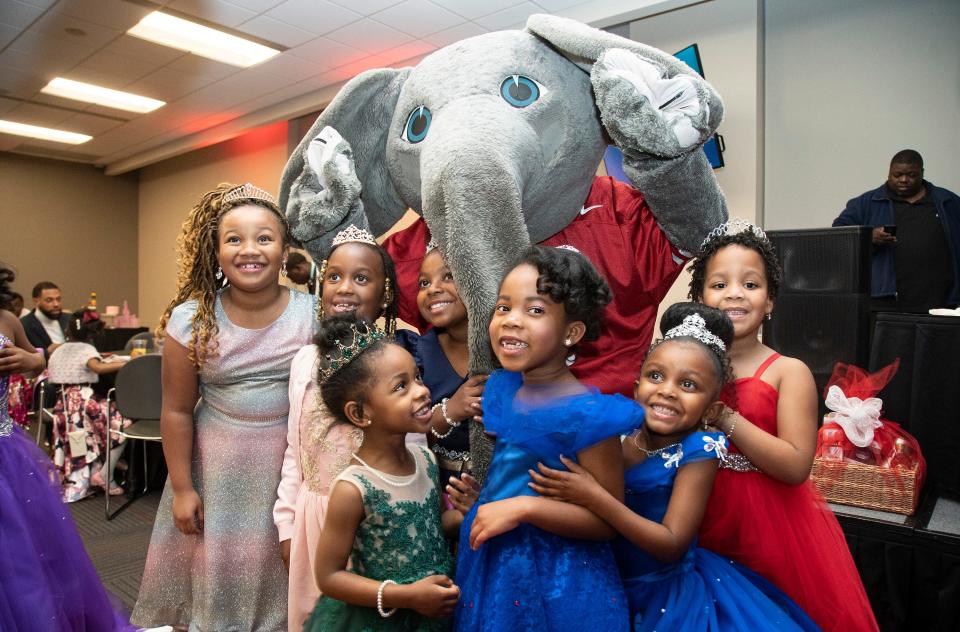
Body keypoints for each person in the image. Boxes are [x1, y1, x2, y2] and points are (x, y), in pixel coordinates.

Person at [529, 303, 818, 631]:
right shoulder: (615, 436)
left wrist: (596, 497)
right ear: (636, 389)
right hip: (602, 586)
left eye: (689, 385)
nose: (667, 391)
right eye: (656, 376)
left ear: (712, 411)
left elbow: (671, 544)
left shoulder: (700, 451)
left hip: (667, 603)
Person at [131, 183, 316, 631]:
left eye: (264, 238)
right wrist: (180, 488)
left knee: (277, 563)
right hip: (215, 467)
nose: (249, 250)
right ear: (214, 251)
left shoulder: (313, 314)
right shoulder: (192, 319)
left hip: (287, 463)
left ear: (285, 249)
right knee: (217, 567)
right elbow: (176, 410)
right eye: (234, 239)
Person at [689, 221, 878, 631]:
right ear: (700, 296)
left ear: (770, 301)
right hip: (691, 509)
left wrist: (724, 416)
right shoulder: (684, 365)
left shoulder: (788, 371)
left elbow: (796, 466)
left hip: (764, 523)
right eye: (719, 284)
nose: (734, 293)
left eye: (751, 284)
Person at [454, 246, 639, 632]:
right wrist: (487, 499)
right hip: (497, 566)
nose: (511, 321)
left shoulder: (588, 416)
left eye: (534, 310)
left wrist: (523, 508)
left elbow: (606, 521)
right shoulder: (503, 390)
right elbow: (517, 467)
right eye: (504, 308)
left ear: (571, 332)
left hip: (559, 580)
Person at [0, 264, 145, 632]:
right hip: (72, 409)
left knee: (21, 556)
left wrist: (30, 360)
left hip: (6, 456)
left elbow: (36, 361)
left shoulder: (6, 319)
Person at [275, 224, 404, 632]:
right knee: (316, 617)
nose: (344, 287)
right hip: (313, 518)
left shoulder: (394, 361)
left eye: (361, 278)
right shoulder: (304, 362)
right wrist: (286, 521)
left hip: (374, 522)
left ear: (384, 294)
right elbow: (296, 448)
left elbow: (410, 450)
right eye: (334, 276)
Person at [305, 314, 472, 631]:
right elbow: (328, 578)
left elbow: (430, 527)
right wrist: (407, 595)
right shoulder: (354, 488)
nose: (422, 391)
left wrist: (464, 514)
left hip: (435, 612)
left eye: (418, 377)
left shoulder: (424, 458)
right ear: (360, 413)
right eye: (401, 386)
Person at [394, 242, 485, 494]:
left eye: (449, 276)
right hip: (431, 492)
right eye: (424, 283)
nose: (433, 289)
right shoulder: (413, 354)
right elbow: (400, 437)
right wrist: (450, 411)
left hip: (498, 493)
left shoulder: (505, 352)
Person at [833, 149, 960, 312]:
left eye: (912, 175)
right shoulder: (867, 202)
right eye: (897, 175)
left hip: (942, 301)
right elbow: (839, 233)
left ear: (922, 173)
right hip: (887, 301)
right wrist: (868, 236)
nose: (904, 180)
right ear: (889, 173)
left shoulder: (947, 201)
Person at [48, 308, 130, 501]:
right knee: (123, 424)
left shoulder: (58, 349)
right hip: (84, 404)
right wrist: (125, 363)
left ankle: (101, 466)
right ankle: (105, 474)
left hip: (63, 406)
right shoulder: (87, 350)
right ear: (92, 333)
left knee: (97, 428)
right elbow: (97, 367)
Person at [20, 281, 70, 359]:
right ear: (36, 301)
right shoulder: (24, 325)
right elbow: (24, 356)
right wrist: (47, 352)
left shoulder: (69, 319)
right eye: (49, 300)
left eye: (58, 299)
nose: (56, 304)